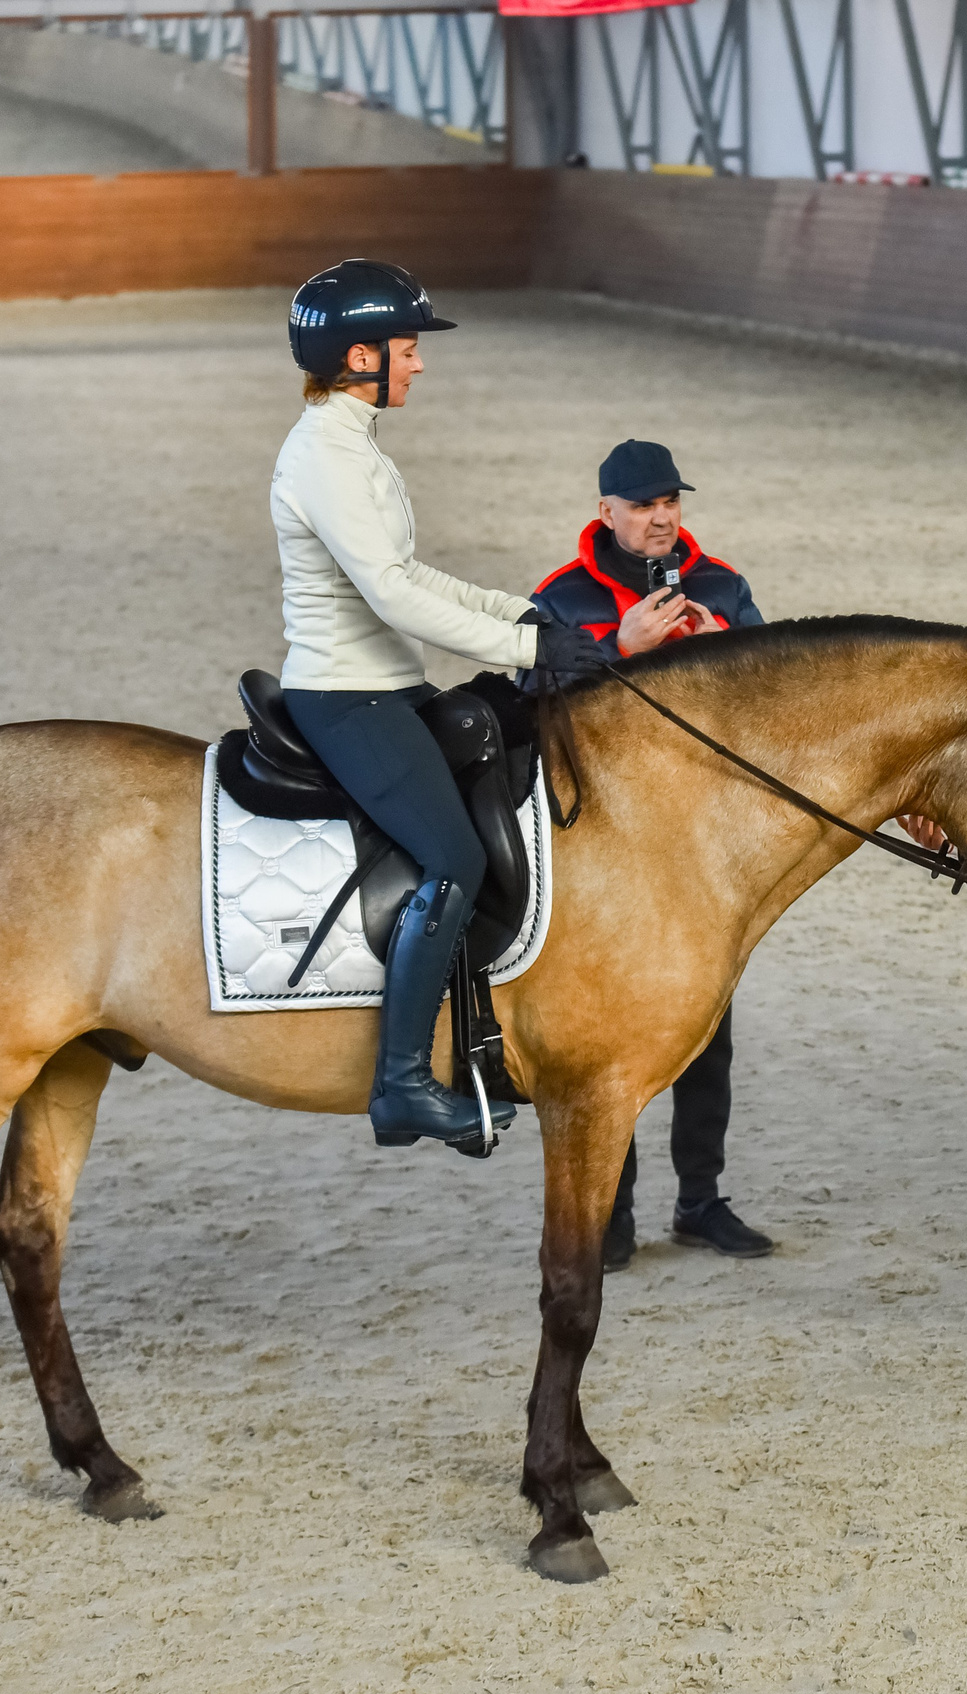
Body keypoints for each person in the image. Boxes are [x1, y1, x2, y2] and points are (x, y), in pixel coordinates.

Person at [273, 259, 607, 1155]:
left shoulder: (354, 440)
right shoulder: (325, 455)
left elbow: (412, 574)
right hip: (345, 694)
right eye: (409, 349)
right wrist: (530, 650)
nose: (419, 365)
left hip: (390, 681)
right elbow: (389, 594)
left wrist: (520, 612)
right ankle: (405, 1084)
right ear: (359, 355)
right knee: (453, 858)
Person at [530, 438, 774, 1267]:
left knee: (709, 1031)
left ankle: (702, 1201)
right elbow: (531, 708)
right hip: (610, 846)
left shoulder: (723, 586)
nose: (661, 516)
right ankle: (614, 1214)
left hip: (708, 845)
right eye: (642, 505)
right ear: (606, 513)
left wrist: (717, 655)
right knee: (616, 1035)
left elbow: (775, 704)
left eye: (670, 500)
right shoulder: (559, 600)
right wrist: (623, 649)